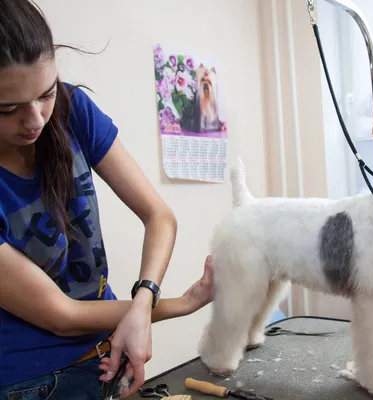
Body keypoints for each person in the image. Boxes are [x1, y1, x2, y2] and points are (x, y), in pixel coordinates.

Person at [0, 0, 215, 398]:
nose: (35, 120)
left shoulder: (71, 109)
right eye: (7, 109)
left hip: (104, 357)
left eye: (45, 94)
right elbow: (62, 316)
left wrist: (145, 295)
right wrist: (181, 304)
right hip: (29, 383)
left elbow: (158, 215)